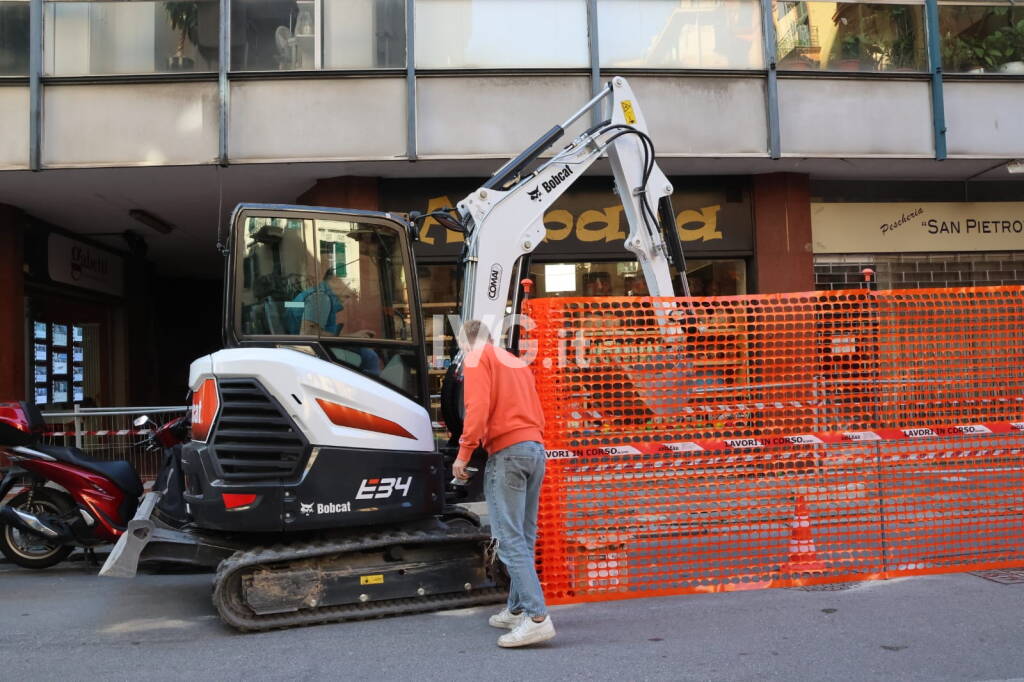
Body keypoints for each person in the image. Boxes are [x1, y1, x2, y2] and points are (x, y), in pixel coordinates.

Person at [453, 320, 555, 648]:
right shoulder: (514, 361)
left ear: (464, 342)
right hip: (534, 450)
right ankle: (517, 608)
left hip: (507, 453)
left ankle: (537, 618)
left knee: (508, 539)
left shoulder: (475, 357)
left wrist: (463, 453)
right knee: (523, 537)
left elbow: (477, 408)